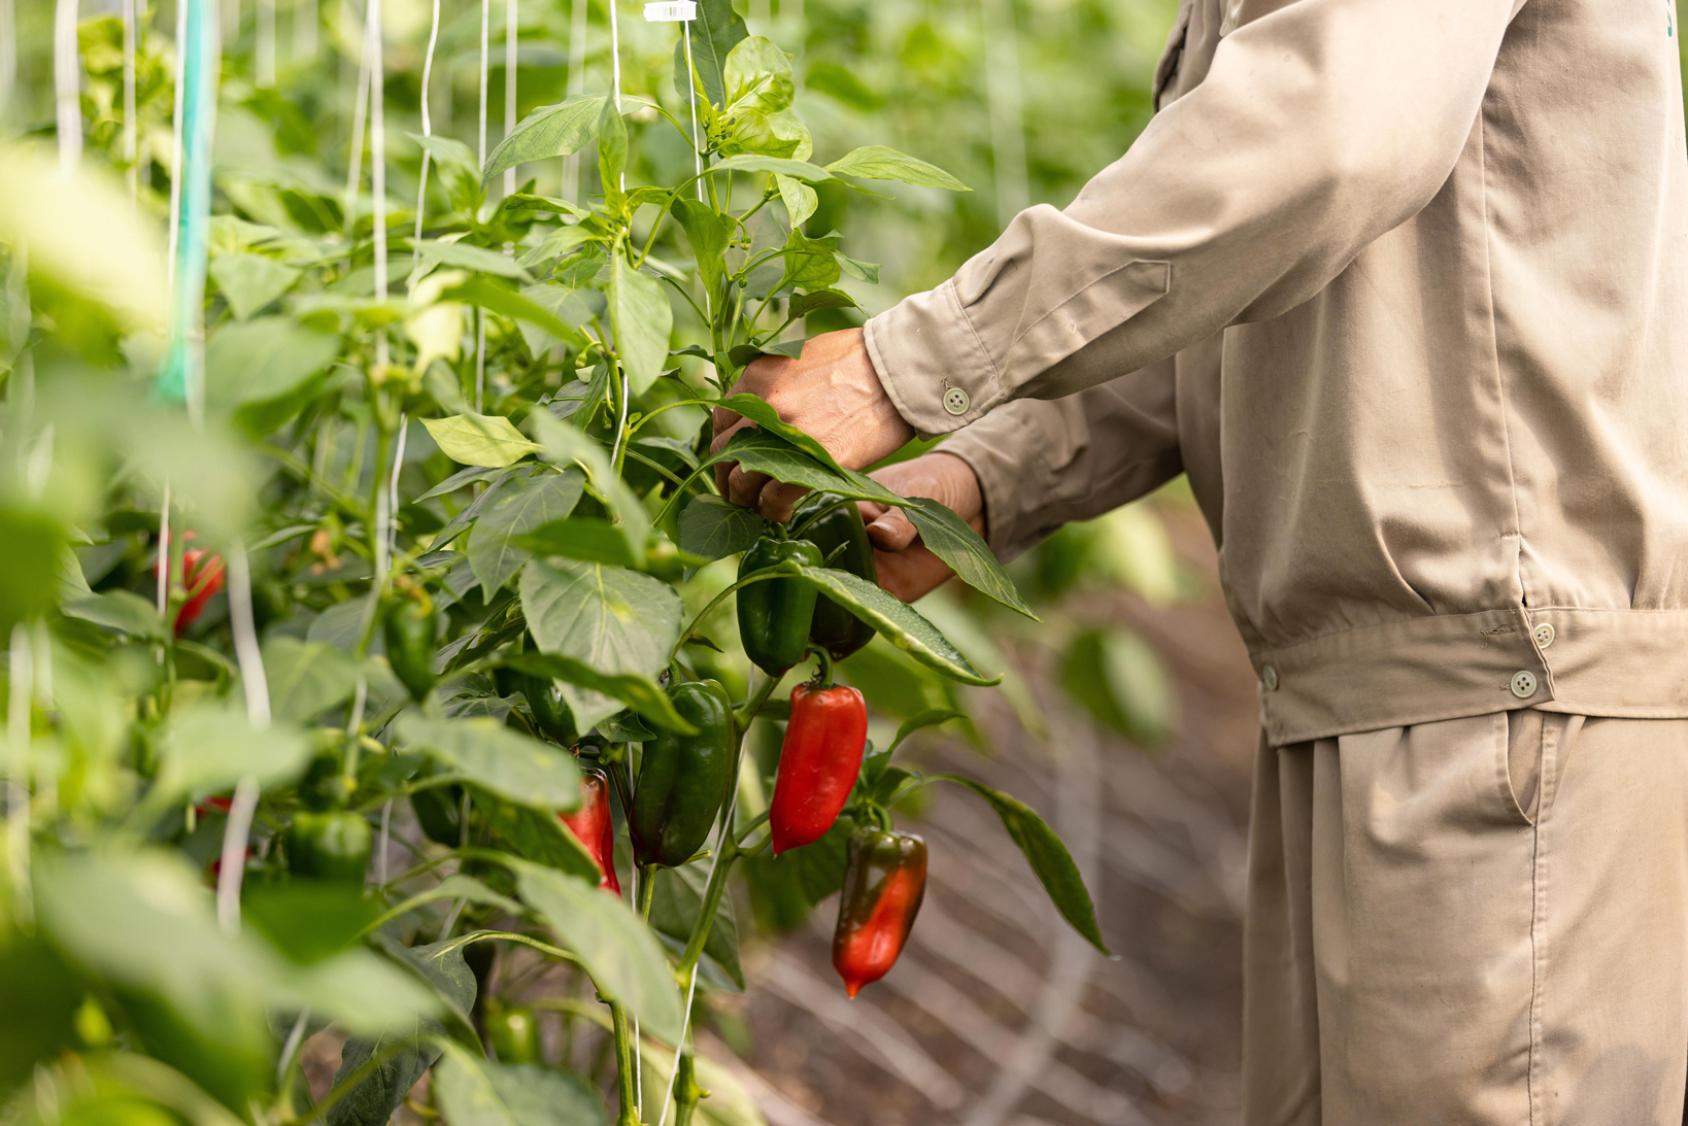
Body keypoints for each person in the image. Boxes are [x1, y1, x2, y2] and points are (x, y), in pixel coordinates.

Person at [711, 0, 1688, 1121]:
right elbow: (1244, 273)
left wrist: (901, 366)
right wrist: (987, 474)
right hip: (1375, 692)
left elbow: (1319, 140)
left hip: (1497, 700)